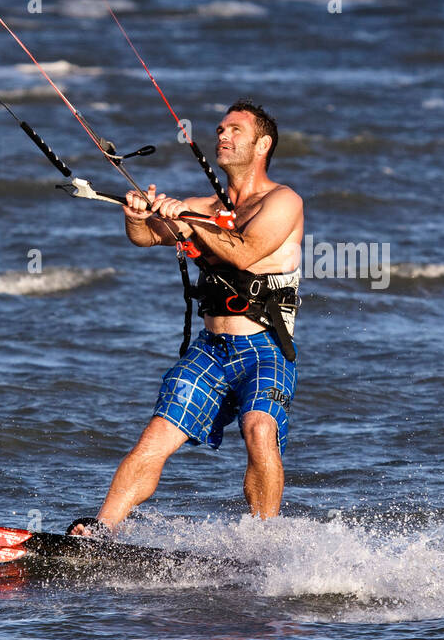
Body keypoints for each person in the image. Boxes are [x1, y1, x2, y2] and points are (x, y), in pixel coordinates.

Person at [70, 100, 303, 537]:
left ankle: (266, 542)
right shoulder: (205, 204)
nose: (223, 136)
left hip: (265, 348)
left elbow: (246, 251)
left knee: (258, 430)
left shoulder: (284, 201)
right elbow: (146, 238)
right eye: (219, 129)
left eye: (235, 129)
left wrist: (193, 221)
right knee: (154, 437)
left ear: (262, 144)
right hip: (212, 350)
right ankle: (101, 531)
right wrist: (137, 216)